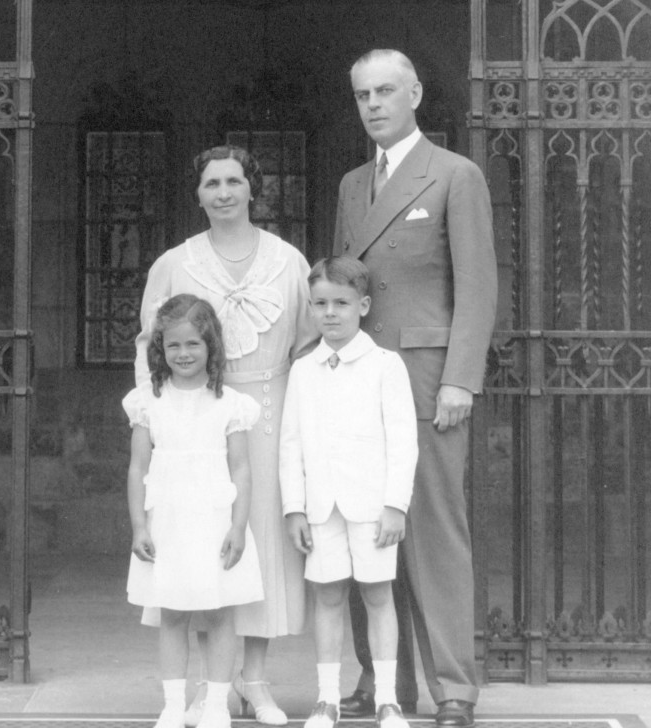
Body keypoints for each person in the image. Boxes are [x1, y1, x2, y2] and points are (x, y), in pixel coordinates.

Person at [334, 49, 498, 728]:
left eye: (386, 92)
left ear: (416, 95)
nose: (374, 104)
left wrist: (461, 378)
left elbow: (479, 285)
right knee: (362, 526)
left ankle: (454, 686)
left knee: (432, 528)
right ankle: (381, 679)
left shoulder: (455, 175)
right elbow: (343, 289)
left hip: (428, 379)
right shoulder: (350, 185)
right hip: (362, 377)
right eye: (363, 95)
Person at [134, 145, 318, 725]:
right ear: (198, 193)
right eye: (211, 183)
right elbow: (149, 345)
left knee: (260, 542)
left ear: (251, 189)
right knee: (200, 545)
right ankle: (203, 689)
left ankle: (255, 681)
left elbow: (308, 346)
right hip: (196, 420)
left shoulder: (288, 260)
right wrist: (157, 418)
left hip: (267, 410)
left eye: (234, 181)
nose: (223, 193)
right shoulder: (175, 263)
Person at [279, 256, 418, 728]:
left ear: (363, 305)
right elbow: (291, 442)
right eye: (320, 304)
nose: (330, 313)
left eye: (341, 303)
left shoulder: (385, 365)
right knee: (329, 598)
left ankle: (387, 698)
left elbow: (403, 441)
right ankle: (326, 699)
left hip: (373, 506)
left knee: (378, 596)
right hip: (321, 506)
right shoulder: (303, 370)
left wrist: (395, 505)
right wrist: (294, 508)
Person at [124, 294, 264, 728]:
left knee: (220, 613)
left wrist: (239, 527)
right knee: (173, 613)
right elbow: (137, 467)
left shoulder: (230, 404)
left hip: (214, 519)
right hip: (168, 519)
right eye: (174, 347)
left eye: (193, 345)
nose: (183, 354)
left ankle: (218, 704)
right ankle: (172, 704)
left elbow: (241, 468)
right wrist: (138, 525)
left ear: (211, 347)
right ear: (161, 351)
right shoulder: (149, 402)